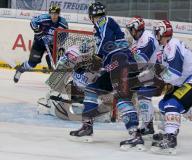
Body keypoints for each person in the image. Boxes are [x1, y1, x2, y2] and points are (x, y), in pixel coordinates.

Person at [69, 2, 145, 150]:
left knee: (122, 98)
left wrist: (97, 58)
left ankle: (135, 135)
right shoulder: (101, 25)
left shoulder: (103, 21)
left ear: (92, 16)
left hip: (122, 63)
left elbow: (106, 39)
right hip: (114, 65)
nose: (96, 18)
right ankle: (87, 126)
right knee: (92, 89)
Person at [150, 20, 192, 154]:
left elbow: (174, 72)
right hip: (187, 82)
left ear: (162, 33)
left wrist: (160, 80)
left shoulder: (172, 45)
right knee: (164, 104)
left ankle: (171, 138)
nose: (156, 35)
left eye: (157, 33)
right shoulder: (165, 47)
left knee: (173, 104)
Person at [125, 16, 162, 135]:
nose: (130, 32)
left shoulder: (147, 39)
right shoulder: (138, 40)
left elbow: (141, 61)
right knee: (141, 96)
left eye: (131, 29)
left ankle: (149, 126)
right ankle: (148, 125)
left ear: (136, 29)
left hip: (158, 72)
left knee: (143, 96)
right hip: (150, 72)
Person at [13, 5, 68, 83]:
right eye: (52, 14)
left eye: (56, 14)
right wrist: (38, 31)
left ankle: (52, 72)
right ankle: (20, 70)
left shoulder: (63, 23)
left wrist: (59, 43)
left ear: (59, 14)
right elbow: (33, 22)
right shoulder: (44, 18)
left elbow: (65, 34)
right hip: (39, 42)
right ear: (49, 14)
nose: (54, 16)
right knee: (31, 64)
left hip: (52, 44)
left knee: (57, 61)